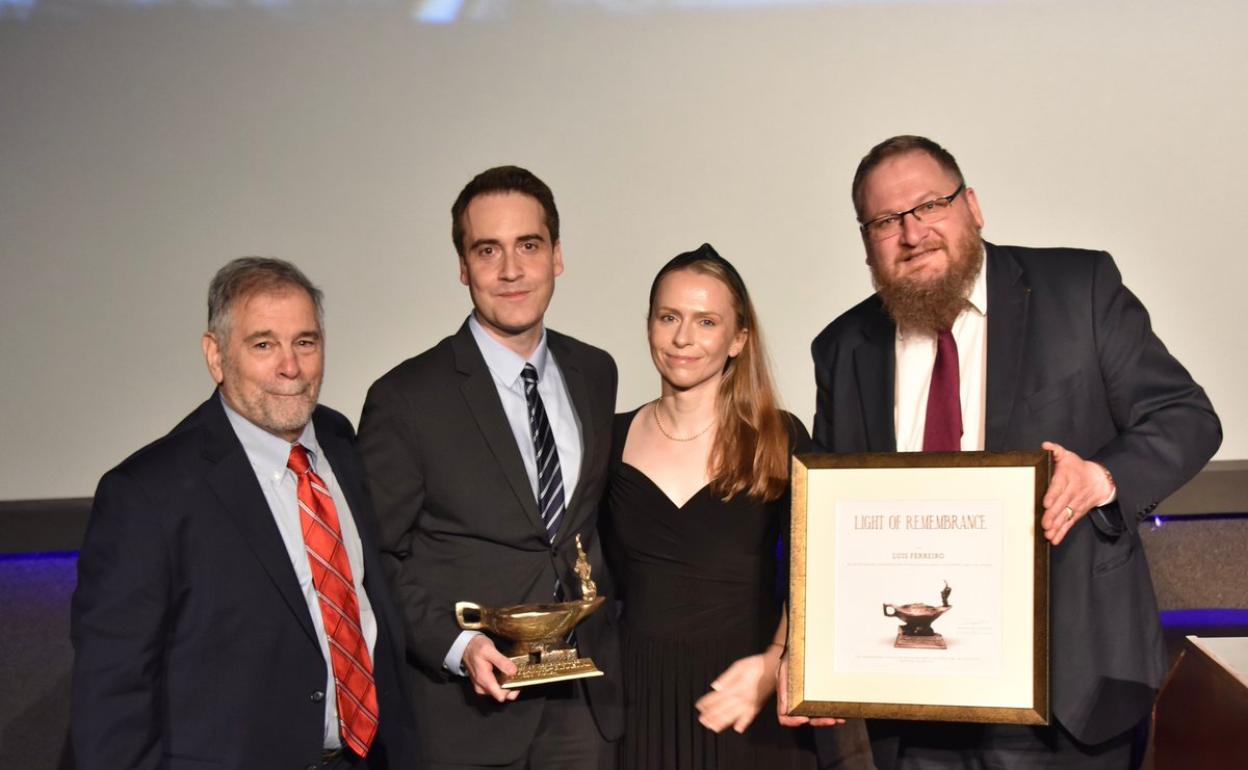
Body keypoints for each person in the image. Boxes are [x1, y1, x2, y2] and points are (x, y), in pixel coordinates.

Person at [801, 135, 1221, 768]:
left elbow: (1186, 416)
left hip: (1070, 689)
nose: (912, 234)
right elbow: (832, 523)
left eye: (930, 206)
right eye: (886, 221)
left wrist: (1102, 477)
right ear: (866, 241)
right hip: (915, 699)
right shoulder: (843, 348)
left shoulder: (1077, 288)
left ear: (972, 206)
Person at [70, 257, 418, 770]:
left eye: (305, 342)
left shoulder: (340, 441)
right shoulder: (146, 494)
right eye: (263, 345)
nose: (290, 367)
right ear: (216, 356)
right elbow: (113, 700)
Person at [357, 166, 621, 769]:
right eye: (487, 250)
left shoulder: (595, 373)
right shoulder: (407, 398)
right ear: (462, 266)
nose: (510, 270)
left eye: (528, 246)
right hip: (465, 719)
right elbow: (375, 558)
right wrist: (457, 644)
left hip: (584, 707)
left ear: (557, 256)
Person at [602, 243, 823, 769]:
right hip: (636, 709)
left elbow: (817, 570)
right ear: (649, 325)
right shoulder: (608, 439)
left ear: (738, 339)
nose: (683, 338)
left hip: (748, 705)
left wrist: (774, 665)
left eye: (706, 321)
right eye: (669, 317)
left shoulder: (781, 438)